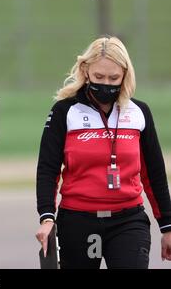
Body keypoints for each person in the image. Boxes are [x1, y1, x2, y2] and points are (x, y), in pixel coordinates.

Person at [35, 36, 171, 269]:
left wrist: (167, 226)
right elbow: (48, 169)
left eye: (114, 78)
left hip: (129, 221)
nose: (106, 83)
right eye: (99, 77)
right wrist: (47, 217)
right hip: (78, 222)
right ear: (86, 71)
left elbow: (154, 173)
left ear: (125, 75)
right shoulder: (64, 111)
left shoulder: (139, 112)